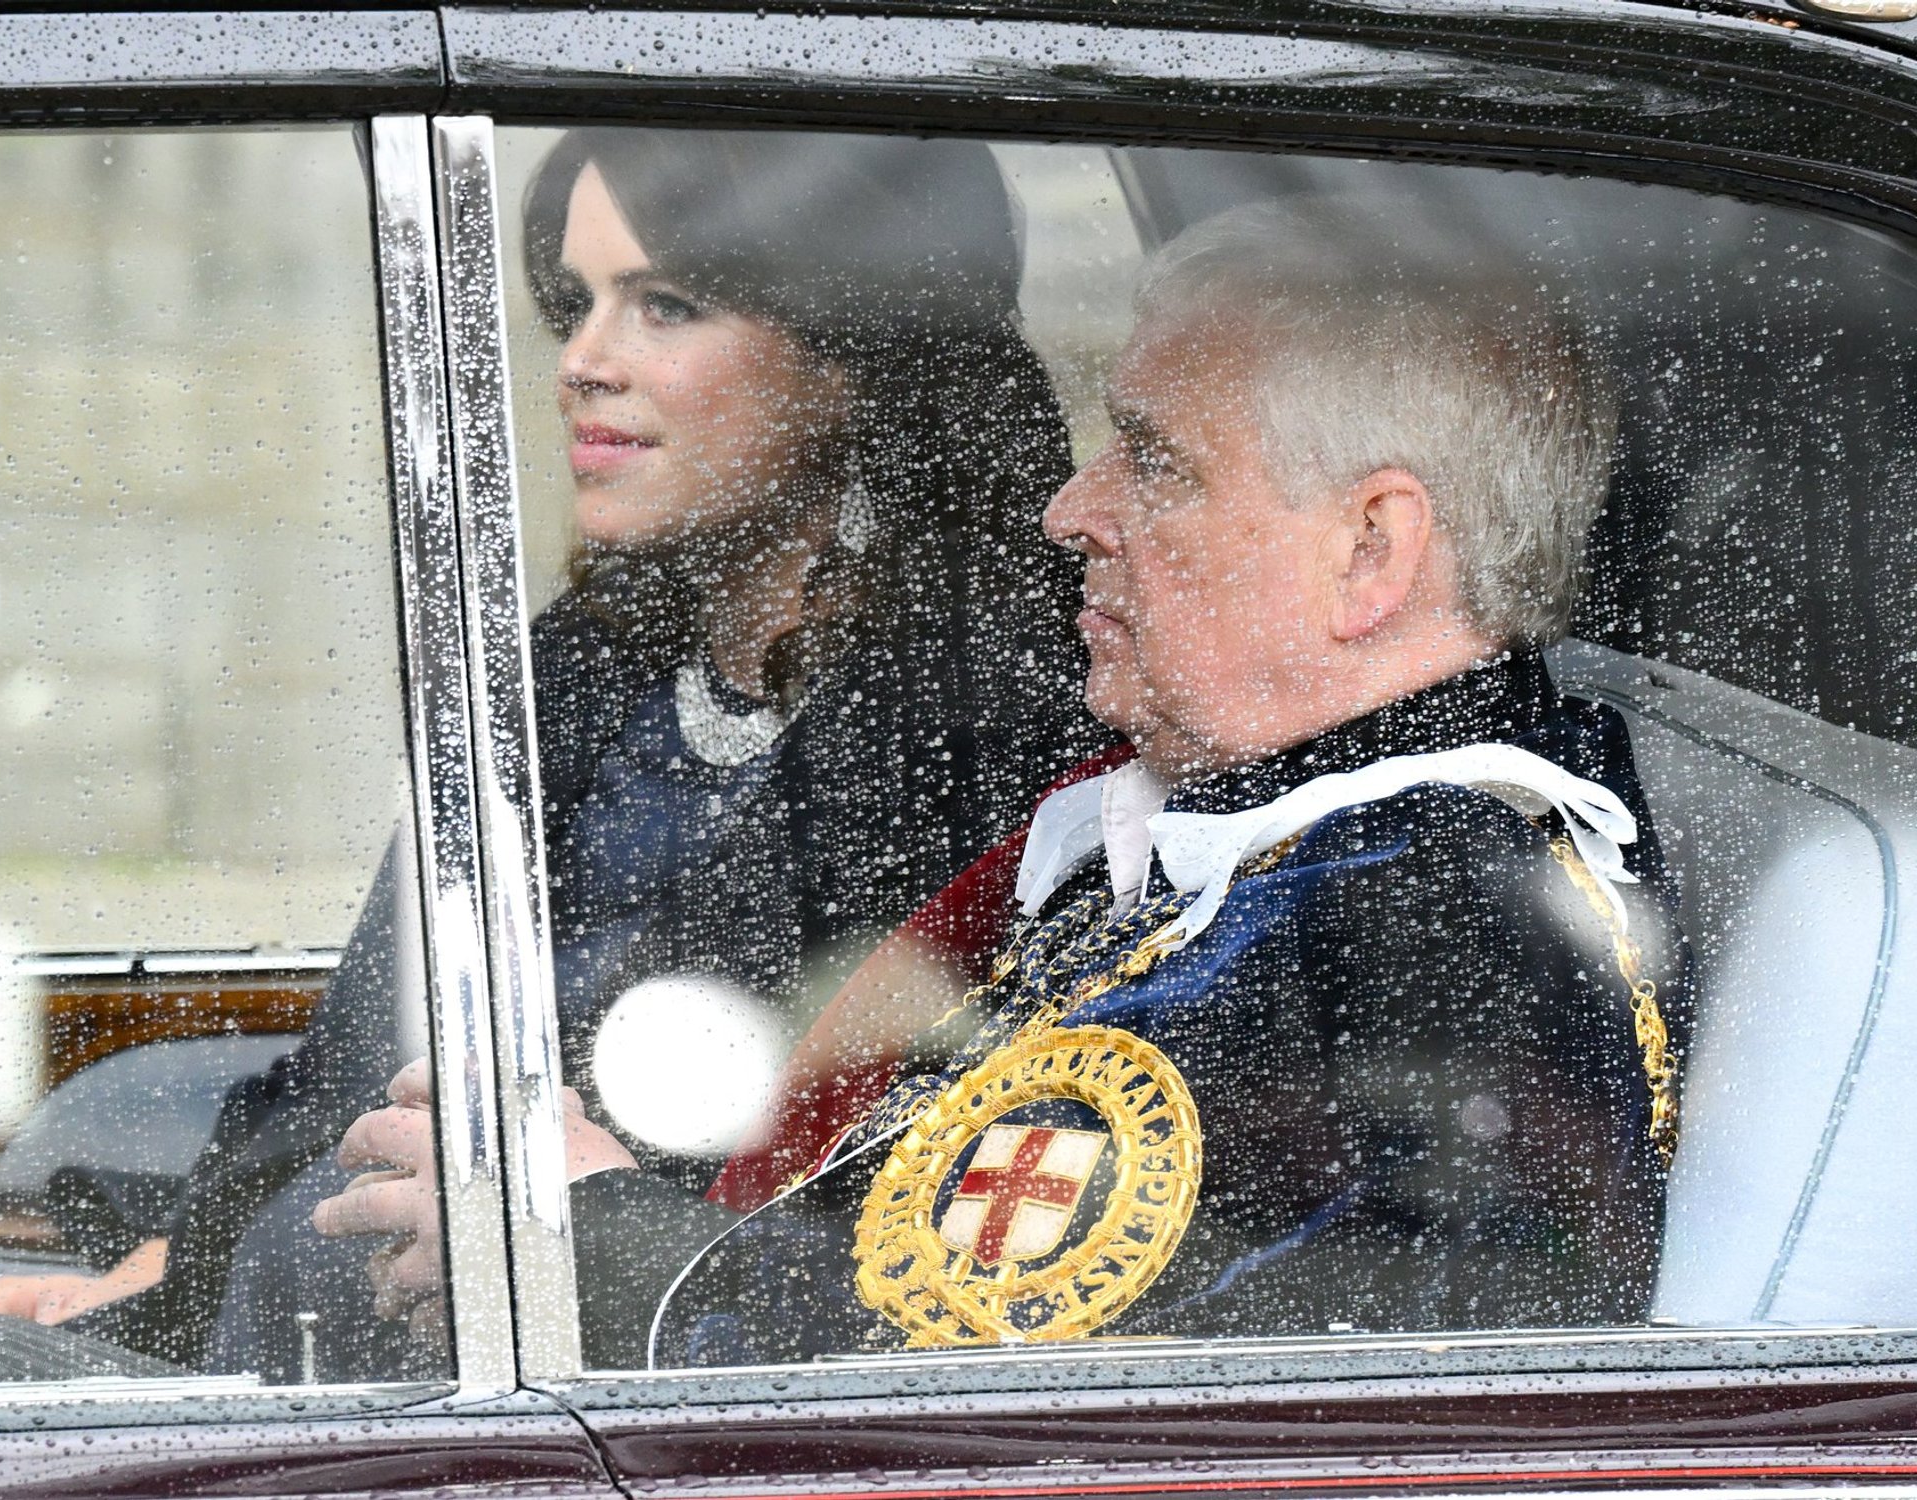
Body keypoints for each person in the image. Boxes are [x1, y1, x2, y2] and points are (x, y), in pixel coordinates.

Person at [316, 196, 1693, 1367]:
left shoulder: (1457, 935)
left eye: (1153, 461)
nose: (1070, 512)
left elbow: (1218, 1410)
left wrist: (598, 1247)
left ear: (1371, 553)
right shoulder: (1233, 832)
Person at [0, 128, 1094, 1383]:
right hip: (338, 1335)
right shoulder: (573, 667)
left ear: (854, 353)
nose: (582, 363)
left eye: (664, 305)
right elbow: (354, 1064)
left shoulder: (998, 728)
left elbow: (816, 1226)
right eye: (573, 303)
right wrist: (155, 1277)